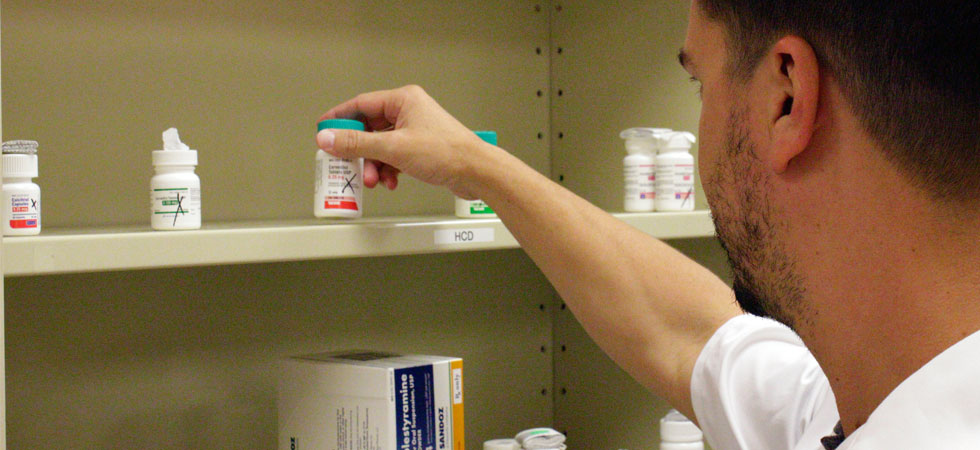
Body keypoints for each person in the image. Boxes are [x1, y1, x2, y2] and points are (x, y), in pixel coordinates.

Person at [315, 0, 979, 448]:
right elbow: (695, 337)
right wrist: (479, 166)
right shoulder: (867, 395)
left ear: (786, 97)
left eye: (702, 85)